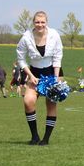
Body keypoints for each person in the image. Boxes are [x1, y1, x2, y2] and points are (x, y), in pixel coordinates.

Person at [16, 10, 64, 145]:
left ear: (46, 22)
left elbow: (58, 56)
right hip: (34, 73)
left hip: (53, 72)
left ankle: (46, 139)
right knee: (28, 101)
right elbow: (20, 59)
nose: (40, 25)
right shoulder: (26, 37)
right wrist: (30, 75)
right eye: (37, 22)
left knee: (51, 104)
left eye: (43, 22)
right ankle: (35, 136)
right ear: (33, 22)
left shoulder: (54, 35)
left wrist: (55, 79)